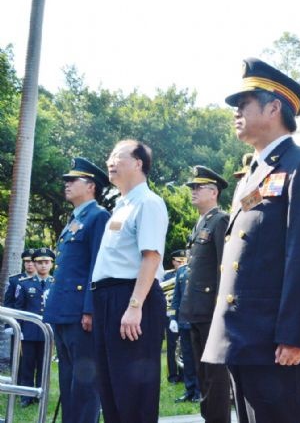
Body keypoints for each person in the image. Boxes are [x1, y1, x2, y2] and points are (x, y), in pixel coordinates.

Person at [202, 58, 300, 423]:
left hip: (278, 343)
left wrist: (296, 336)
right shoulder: (251, 174)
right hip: (246, 339)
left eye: (243, 104)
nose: (236, 112)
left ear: (274, 107)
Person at [91, 139, 169, 423]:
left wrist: (135, 305)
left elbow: (151, 257)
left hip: (132, 297)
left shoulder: (148, 203)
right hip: (108, 299)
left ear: (138, 163)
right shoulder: (121, 204)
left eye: (118, 155)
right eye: (110, 154)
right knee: (111, 387)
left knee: (133, 391)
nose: (110, 161)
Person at [44, 157, 110, 423]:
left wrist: (90, 310)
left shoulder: (98, 216)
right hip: (64, 312)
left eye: (73, 180)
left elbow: (97, 266)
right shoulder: (75, 218)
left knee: (84, 384)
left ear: (91, 186)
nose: (67, 184)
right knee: (68, 381)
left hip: (81, 315)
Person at [180, 165, 232, 422]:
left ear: (213, 192)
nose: (193, 191)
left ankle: (217, 418)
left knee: (215, 373)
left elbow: (225, 266)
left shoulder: (220, 220)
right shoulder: (202, 222)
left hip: (211, 309)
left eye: (198, 187)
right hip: (196, 309)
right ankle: (209, 416)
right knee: (203, 372)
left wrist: (220, 306)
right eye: (192, 187)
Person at [15, 247, 55, 407]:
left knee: (44, 364)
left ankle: (41, 393)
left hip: (49, 332)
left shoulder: (56, 284)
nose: (43, 265)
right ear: (35, 264)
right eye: (39, 262)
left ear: (51, 264)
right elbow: (19, 309)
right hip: (29, 332)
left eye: (46, 262)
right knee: (28, 364)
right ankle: (26, 396)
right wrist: (19, 331)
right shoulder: (24, 284)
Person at [169, 255, 201, 403]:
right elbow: (176, 296)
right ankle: (189, 389)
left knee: (198, 358)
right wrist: (173, 318)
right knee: (187, 358)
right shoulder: (181, 271)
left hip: (197, 319)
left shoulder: (202, 266)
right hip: (183, 320)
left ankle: (199, 391)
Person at [165, 250, 186, 384]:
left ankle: (185, 373)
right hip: (170, 313)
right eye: (179, 261)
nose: (181, 263)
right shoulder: (167, 276)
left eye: (183, 261)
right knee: (172, 345)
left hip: (185, 313)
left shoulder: (187, 272)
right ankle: (173, 375)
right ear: (173, 261)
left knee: (185, 345)